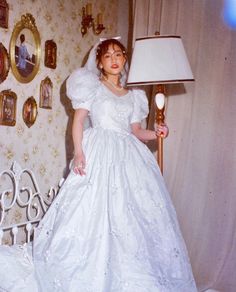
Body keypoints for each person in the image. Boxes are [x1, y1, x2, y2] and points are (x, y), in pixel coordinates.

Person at [0, 38, 198, 292]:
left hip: (130, 159)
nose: (114, 59)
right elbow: (79, 122)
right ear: (100, 63)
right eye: (107, 56)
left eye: (118, 54)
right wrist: (79, 153)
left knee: (132, 219)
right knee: (93, 214)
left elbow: (136, 131)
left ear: (125, 59)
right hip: (99, 153)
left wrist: (159, 132)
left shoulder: (135, 96)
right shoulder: (91, 88)